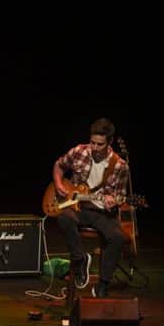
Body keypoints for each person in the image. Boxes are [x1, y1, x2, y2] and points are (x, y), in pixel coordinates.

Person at [53, 117, 129, 298]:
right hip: (79, 208)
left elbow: (120, 195)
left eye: (99, 144)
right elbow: (59, 165)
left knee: (117, 238)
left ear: (109, 142)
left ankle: (103, 284)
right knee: (64, 217)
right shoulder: (79, 151)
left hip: (102, 213)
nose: (94, 147)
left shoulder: (120, 166)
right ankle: (80, 258)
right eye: (92, 142)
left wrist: (113, 201)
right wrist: (58, 184)